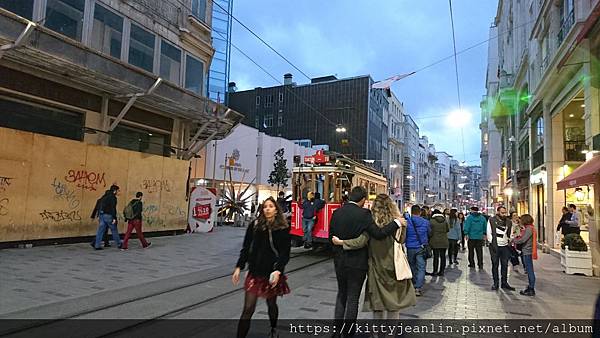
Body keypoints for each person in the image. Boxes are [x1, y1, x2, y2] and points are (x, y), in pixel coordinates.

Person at [329, 186, 403, 337]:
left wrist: (339, 245)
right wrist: (396, 223)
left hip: (340, 262)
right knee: (352, 298)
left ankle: (337, 332)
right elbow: (378, 233)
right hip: (357, 264)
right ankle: (349, 333)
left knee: (341, 295)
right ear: (362, 199)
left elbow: (330, 237)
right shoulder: (364, 214)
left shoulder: (336, 213)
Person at [232, 197, 291, 338]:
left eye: (271, 206)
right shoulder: (255, 225)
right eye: (265, 207)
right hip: (255, 272)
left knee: (271, 304)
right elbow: (246, 248)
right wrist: (239, 267)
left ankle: (273, 328)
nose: (267, 209)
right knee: (248, 308)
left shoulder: (282, 228)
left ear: (276, 209)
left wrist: (278, 270)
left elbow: (285, 253)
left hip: (272, 273)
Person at [405, 205, 431, 296]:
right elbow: (429, 233)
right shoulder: (426, 222)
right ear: (420, 212)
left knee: (411, 266)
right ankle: (418, 287)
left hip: (410, 247)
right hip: (421, 247)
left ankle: (413, 283)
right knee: (421, 268)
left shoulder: (407, 222)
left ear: (411, 212)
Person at [487, 206, 515, 291]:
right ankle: (496, 283)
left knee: (505, 264)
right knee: (495, 264)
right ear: (498, 212)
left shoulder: (508, 222)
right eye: (502, 212)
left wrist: (510, 240)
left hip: (505, 246)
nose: (504, 214)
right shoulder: (492, 220)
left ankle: (504, 282)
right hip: (495, 246)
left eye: (505, 212)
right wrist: (492, 242)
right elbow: (489, 232)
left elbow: (511, 232)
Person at [513, 214, 537, 297]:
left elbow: (523, 240)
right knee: (529, 269)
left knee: (529, 270)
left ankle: (531, 288)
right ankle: (530, 287)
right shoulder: (530, 228)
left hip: (527, 251)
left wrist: (514, 240)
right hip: (527, 251)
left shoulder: (529, 229)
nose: (520, 221)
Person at [93, 185, 122, 250]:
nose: (118, 192)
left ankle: (97, 245)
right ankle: (119, 244)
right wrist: (114, 218)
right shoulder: (113, 198)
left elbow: (99, 204)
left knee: (100, 231)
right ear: (114, 191)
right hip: (108, 215)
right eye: (118, 191)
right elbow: (113, 208)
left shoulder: (104, 196)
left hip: (101, 215)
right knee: (114, 230)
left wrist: (98, 215)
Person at [429, 209, 450, 276]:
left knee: (436, 257)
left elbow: (430, 232)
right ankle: (442, 271)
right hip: (444, 241)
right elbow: (447, 229)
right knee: (443, 257)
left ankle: (435, 271)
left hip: (435, 241)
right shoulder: (445, 221)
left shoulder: (431, 221)